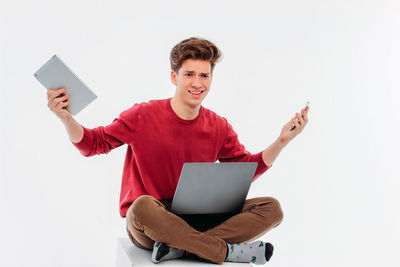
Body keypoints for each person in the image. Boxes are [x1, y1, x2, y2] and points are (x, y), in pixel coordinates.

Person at [46, 37, 309, 265]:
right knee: (141, 206)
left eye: (204, 75)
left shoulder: (218, 126)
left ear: (211, 79)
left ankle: (182, 249)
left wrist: (282, 141)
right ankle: (222, 251)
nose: (197, 83)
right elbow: (94, 143)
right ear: (174, 77)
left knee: (271, 209)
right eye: (189, 74)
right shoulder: (143, 115)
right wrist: (66, 118)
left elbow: (245, 170)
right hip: (152, 224)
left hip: (199, 219)